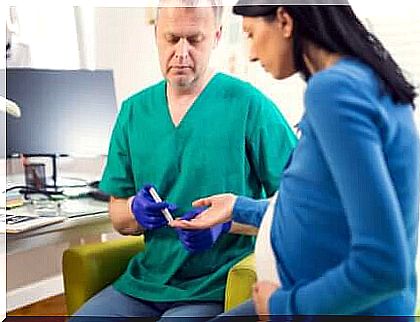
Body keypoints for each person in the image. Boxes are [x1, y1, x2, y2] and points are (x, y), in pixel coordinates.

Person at [172, 2, 420, 320]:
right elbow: (320, 209)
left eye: (251, 34)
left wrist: (282, 307)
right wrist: (236, 207)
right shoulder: (366, 82)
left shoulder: (333, 90)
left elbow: (383, 265)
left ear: (284, 20)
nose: (250, 53)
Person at [71, 0, 296, 320]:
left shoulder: (249, 105)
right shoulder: (134, 111)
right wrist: (135, 209)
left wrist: (227, 224)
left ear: (216, 37)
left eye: (194, 40)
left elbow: (291, 208)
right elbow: (119, 217)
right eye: (172, 38)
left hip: (215, 283)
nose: (181, 52)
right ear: (156, 36)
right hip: (146, 282)